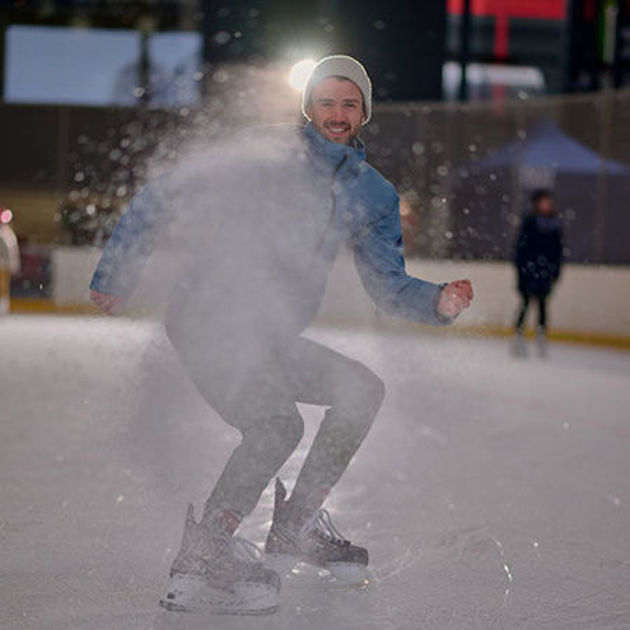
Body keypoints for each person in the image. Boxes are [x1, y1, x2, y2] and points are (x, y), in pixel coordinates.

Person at [89, 55, 474, 615]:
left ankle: (294, 526)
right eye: (325, 101)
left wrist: (437, 301)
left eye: (349, 103)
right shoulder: (267, 152)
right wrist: (117, 274)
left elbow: (387, 286)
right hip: (209, 320)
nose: (337, 114)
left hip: (267, 335)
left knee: (360, 390)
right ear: (308, 107)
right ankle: (206, 551)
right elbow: (163, 194)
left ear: (364, 111)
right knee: (276, 425)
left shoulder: (373, 195)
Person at [512, 189, 563, 357]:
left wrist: (555, 271)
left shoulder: (554, 225)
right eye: (544, 202)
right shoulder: (530, 223)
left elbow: (557, 251)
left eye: (549, 202)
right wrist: (522, 270)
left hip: (545, 273)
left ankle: (541, 338)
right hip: (529, 271)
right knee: (525, 304)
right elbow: (521, 249)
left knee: (542, 306)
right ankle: (518, 337)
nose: (547, 205)